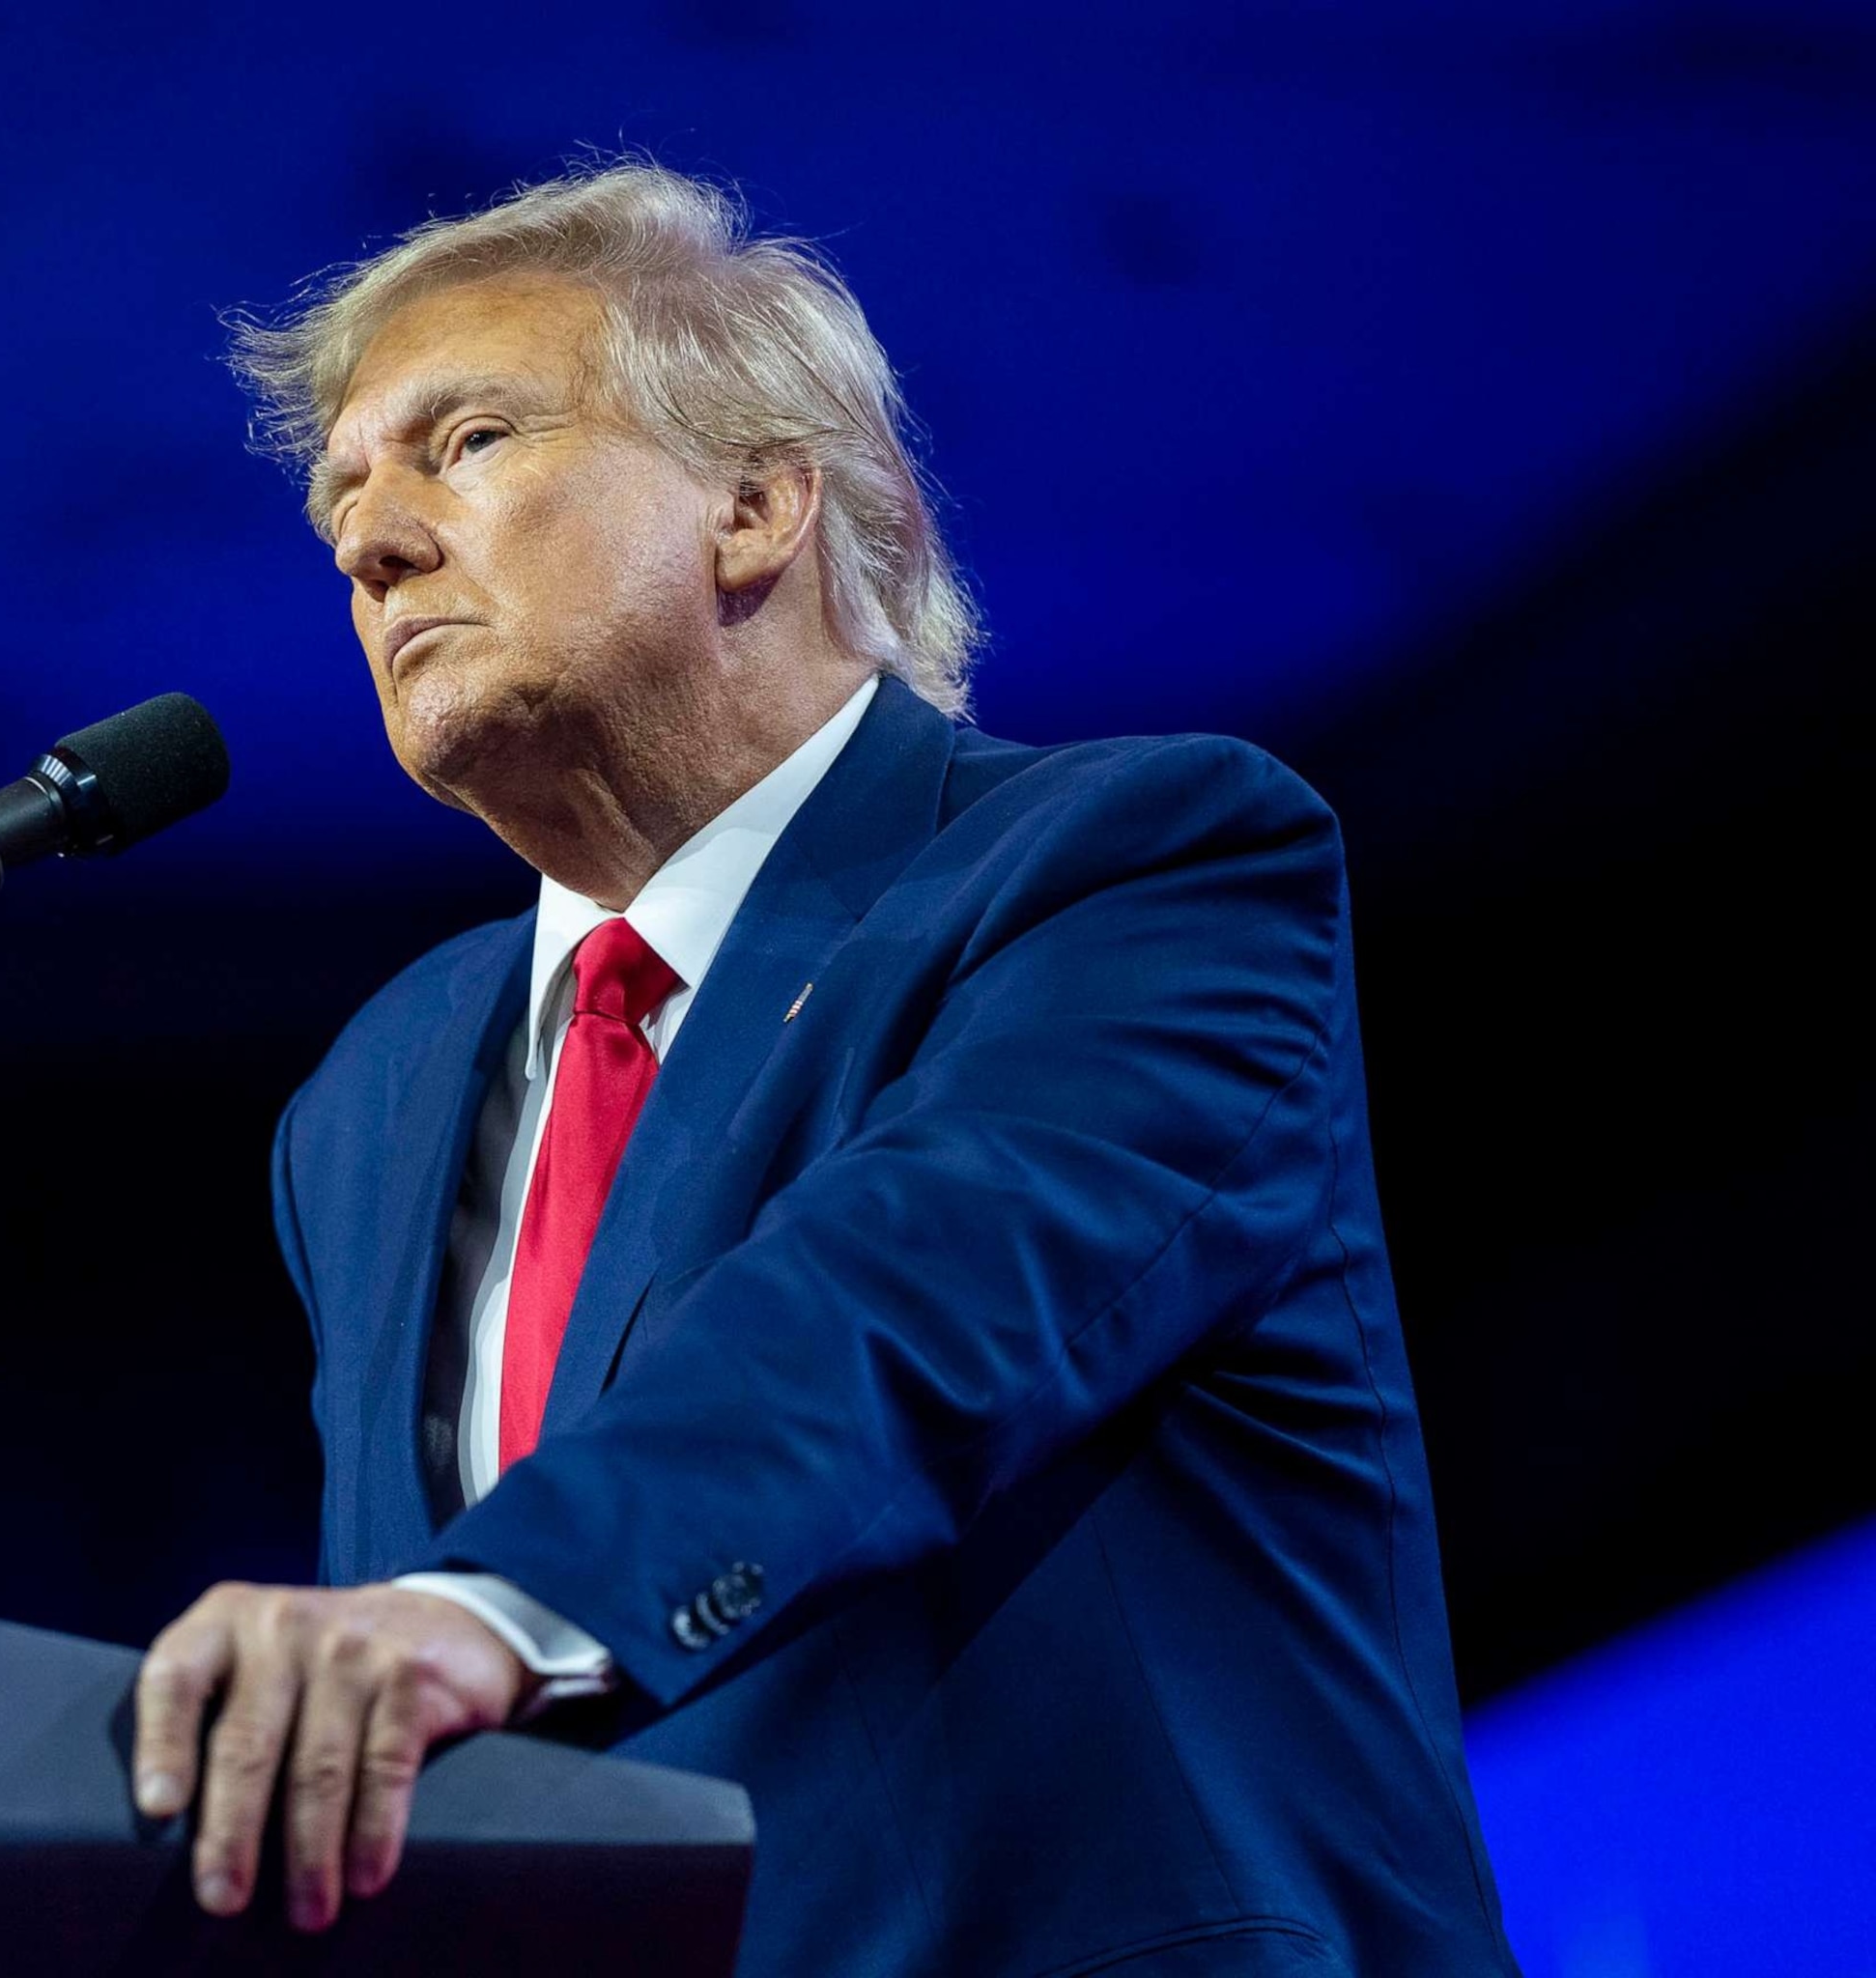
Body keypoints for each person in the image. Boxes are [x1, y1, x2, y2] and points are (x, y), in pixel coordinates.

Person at [127, 161, 1520, 1976]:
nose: (368, 542)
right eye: (341, 499)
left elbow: (910, 1306)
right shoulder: (372, 1107)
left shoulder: (1134, 865)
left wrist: (496, 1610)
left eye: (461, 442)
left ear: (754, 503)